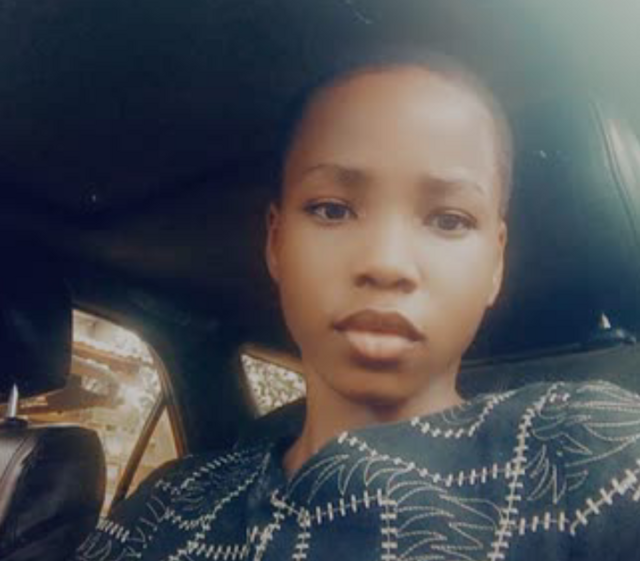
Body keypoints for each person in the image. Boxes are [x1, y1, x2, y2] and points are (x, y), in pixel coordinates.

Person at [76, 48, 640, 561]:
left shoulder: (587, 452)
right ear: (276, 242)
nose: (387, 263)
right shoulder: (167, 506)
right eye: (332, 210)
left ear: (495, 262)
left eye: (449, 220)